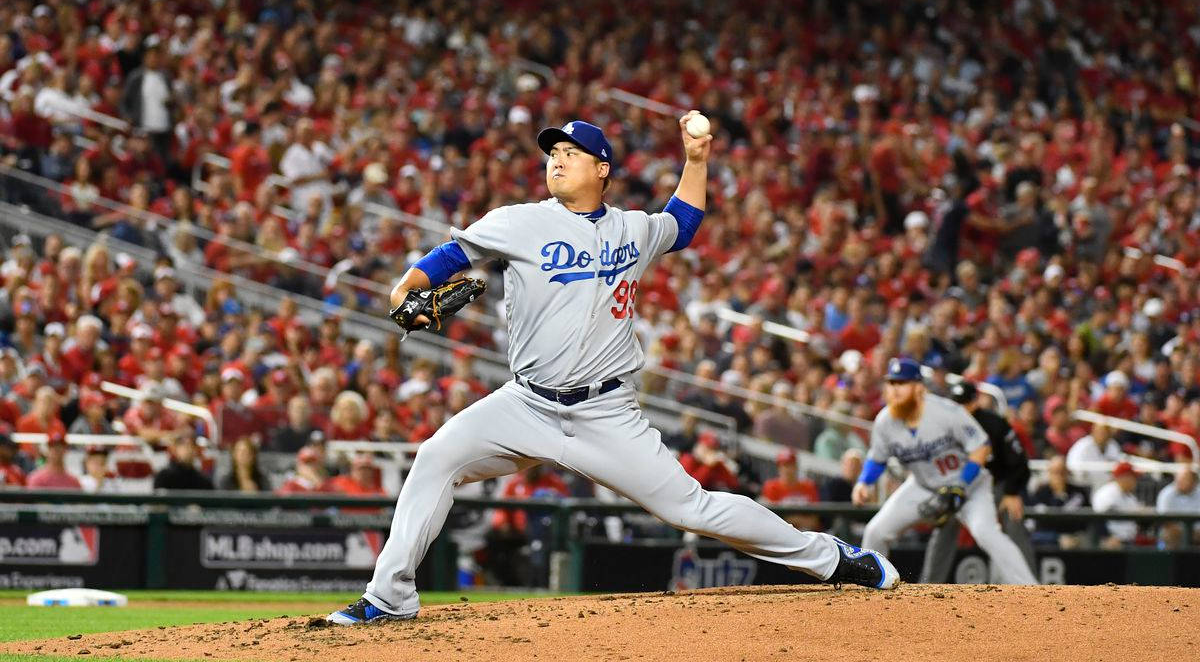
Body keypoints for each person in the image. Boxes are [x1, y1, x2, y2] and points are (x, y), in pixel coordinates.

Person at [328, 116, 898, 625]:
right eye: (552, 151)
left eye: (571, 152)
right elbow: (451, 257)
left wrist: (695, 161)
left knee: (691, 508)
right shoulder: (520, 221)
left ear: (602, 169)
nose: (557, 158)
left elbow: (684, 223)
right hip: (524, 404)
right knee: (436, 457)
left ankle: (833, 560)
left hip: (606, 411)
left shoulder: (632, 229)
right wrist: (408, 287)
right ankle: (389, 596)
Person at [853, 357, 1036, 585]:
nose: (895, 389)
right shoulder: (885, 422)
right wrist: (864, 482)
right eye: (892, 383)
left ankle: (1031, 589)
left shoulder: (945, 411)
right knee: (875, 532)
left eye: (902, 383)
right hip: (924, 486)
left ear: (919, 387)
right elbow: (877, 458)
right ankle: (868, 590)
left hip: (970, 487)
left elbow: (981, 447)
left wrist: (961, 483)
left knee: (986, 533)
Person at [919, 380, 1035, 583]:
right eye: (955, 402)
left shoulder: (994, 423)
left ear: (974, 402)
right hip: (959, 484)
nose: (958, 408)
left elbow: (1019, 461)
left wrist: (1011, 492)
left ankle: (1032, 588)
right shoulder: (944, 425)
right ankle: (927, 586)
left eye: (963, 403)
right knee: (943, 526)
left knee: (1013, 518)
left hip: (994, 485)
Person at [1027, 454, 1091, 548]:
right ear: (1049, 473)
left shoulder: (1079, 492)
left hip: (1076, 539)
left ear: (1067, 472)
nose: (1059, 476)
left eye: (1062, 472)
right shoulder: (1040, 494)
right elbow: (1040, 524)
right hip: (1050, 542)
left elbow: (1089, 520)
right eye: (1055, 472)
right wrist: (1057, 538)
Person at [761, 449, 821, 530]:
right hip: (780, 531)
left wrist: (793, 519)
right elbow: (771, 518)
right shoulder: (772, 487)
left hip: (806, 532)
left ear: (796, 466)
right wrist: (797, 520)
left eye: (791, 465)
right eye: (785, 465)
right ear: (779, 468)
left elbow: (814, 521)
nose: (788, 470)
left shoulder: (809, 486)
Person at [1091, 461, 1145, 547]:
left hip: (1128, 541)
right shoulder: (1107, 493)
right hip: (1110, 542)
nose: (1135, 481)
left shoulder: (1130, 497)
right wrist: (1107, 537)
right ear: (1123, 477)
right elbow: (1098, 519)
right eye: (1133, 477)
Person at [1155, 467, 1200, 549]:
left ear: (1194, 482)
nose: (1179, 482)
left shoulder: (1198, 492)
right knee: (1170, 534)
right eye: (1178, 479)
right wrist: (1188, 534)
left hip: (1197, 537)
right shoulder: (1166, 494)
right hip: (1173, 539)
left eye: (1185, 479)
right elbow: (1167, 524)